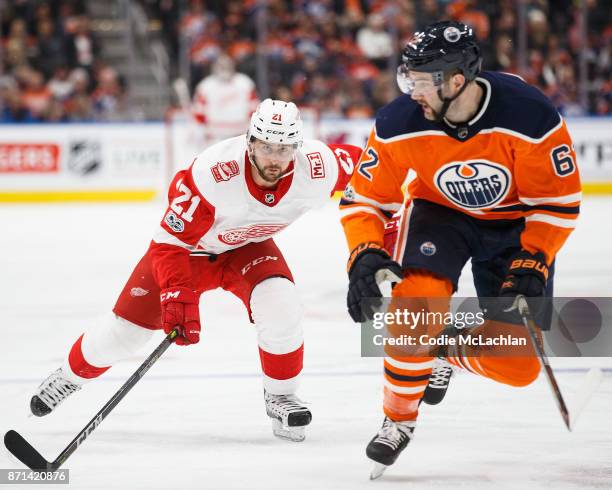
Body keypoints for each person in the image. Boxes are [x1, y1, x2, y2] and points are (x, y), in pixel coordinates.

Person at [31, 99, 361, 442]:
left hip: (245, 249)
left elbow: (378, 165)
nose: (274, 159)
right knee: (125, 336)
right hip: (187, 253)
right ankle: (70, 376)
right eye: (265, 147)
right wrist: (177, 295)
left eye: (283, 149)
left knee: (281, 302)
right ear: (249, 141)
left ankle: (280, 395)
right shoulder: (213, 172)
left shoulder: (320, 165)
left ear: (298, 147)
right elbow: (168, 244)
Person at [339, 21, 581, 476]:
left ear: (456, 80)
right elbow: (365, 199)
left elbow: (558, 203)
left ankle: (444, 347)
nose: (411, 91)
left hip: (515, 224)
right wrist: (365, 252)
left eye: (421, 80)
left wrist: (536, 257)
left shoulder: (530, 115)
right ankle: (398, 421)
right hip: (441, 216)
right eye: (406, 78)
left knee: (519, 365)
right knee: (412, 313)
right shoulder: (398, 123)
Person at [192, 54, 259, 145]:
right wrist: (202, 130)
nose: (224, 70)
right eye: (222, 67)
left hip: (240, 134)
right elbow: (199, 111)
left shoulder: (244, 83)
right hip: (214, 136)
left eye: (227, 66)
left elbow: (254, 108)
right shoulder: (206, 86)